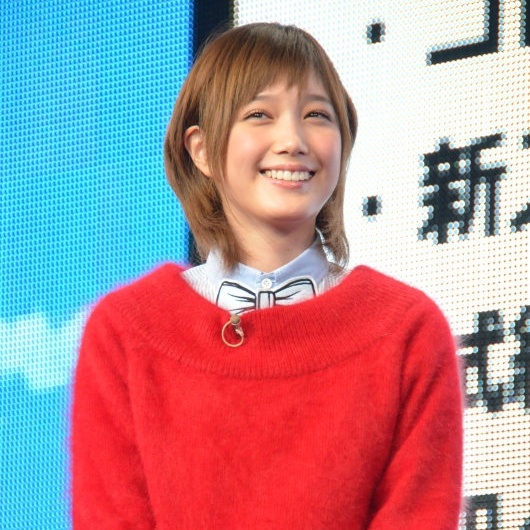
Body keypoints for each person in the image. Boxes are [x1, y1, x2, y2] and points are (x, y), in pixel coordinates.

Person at [72, 22, 463, 529]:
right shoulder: (126, 331)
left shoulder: (406, 330)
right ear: (201, 149)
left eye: (317, 115)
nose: (293, 141)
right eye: (260, 114)